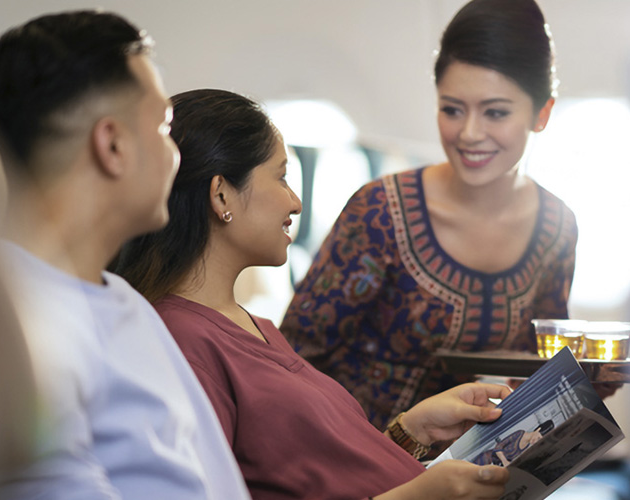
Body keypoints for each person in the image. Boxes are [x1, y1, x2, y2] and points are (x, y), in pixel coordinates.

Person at [114, 88, 510, 500]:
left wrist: (410, 432)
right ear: (221, 195)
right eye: (282, 176)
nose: (296, 202)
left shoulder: (255, 326)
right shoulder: (182, 342)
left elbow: (316, 474)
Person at [0, 11, 250, 500]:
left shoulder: (121, 299)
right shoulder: (12, 317)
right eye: (165, 127)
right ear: (113, 144)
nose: (176, 155)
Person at [280, 0, 579, 431]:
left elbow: (543, 367)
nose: (470, 133)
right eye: (452, 109)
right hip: (360, 464)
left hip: (476, 473)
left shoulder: (557, 227)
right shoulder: (380, 211)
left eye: (495, 112)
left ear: (542, 114)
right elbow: (293, 361)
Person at [473, 420, 555, 467]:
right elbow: (498, 447)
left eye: (539, 441)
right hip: (487, 459)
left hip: (494, 466)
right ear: (538, 429)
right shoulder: (520, 434)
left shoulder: (527, 446)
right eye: (538, 438)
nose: (536, 441)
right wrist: (505, 462)